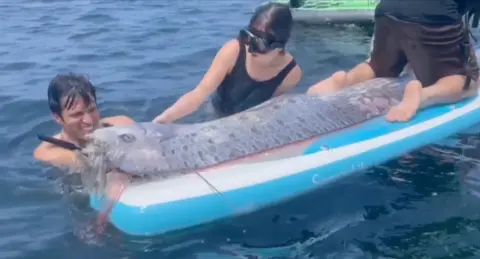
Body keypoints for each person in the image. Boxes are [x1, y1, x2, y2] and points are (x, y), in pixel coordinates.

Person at [307, 0, 479, 122]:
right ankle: (423, 96)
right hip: (432, 13)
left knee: (379, 66)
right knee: (468, 81)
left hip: (387, 9)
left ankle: (345, 81)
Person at [152, 2, 302, 123]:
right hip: (218, 115)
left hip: (251, 122)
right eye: (247, 37)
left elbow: (269, 108)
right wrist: (163, 120)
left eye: (258, 44)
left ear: (279, 46)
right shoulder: (234, 51)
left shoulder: (291, 73)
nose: (249, 48)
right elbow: (198, 95)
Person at [33, 73, 135, 168]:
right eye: (77, 114)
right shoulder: (47, 152)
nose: (89, 121)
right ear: (58, 118)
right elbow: (90, 164)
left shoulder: (122, 123)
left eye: (92, 110)